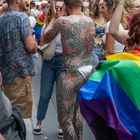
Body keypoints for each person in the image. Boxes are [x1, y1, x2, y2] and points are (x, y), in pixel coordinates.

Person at [43, 0, 95, 139]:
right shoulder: (90, 21)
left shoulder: (62, 21)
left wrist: (54, 18)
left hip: (70, 74)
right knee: (77, 114)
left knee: (65, 119)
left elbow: (45, 38)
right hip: (86, 73)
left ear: (65, 5)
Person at [0, 0, 38, 118]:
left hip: (7, 75)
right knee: (19, 117)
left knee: (9, 113)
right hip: (21, 74)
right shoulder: (22, 17)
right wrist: (36, 44)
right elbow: (31, 46)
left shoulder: (1, 19)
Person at [33, 0, 64, 138]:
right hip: (49, 61)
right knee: (45, 94)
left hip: (64, 61)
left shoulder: (69, 23)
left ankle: (61, 125)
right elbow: (43, 38)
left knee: (62, 95)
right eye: (56, 7)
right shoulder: (48, 21)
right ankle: (39, 123)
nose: (58, 9)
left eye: (61, 7)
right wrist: (53, 19)